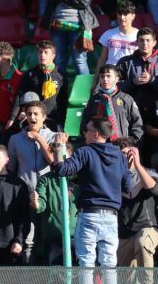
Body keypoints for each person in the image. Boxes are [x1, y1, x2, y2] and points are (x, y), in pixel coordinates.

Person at [38, 120, 132, 284]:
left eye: (86, 130)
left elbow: (62, 169)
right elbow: (127, 186)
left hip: (89, 214)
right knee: (109, 263)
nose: (84, 133)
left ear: (96, 134)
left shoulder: (86, 152)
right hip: (111, 216)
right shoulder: (119, 155)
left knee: (87, 262)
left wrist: (59, 146)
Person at [44, 0, 98, 76]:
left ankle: (85, 94)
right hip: (57, 26)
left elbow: (85, 2)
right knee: (59, 61)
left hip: (78, 26)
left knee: (79, 61)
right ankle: (60, 93)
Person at [114, 138, 158, 275]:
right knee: (125, 276)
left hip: (146, 226)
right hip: (124, 232)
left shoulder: (147, 172)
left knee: (142, 242)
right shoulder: (113, 177)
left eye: (128, 153)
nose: (126, 157)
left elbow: (154, 189)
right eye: (121, 154)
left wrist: (137, 164)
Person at [32, 138, 78, 265]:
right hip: (54, 238)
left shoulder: (77, 179)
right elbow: (41, 204)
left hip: (76, 237)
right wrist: (36, 203)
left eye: (63, 157)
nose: (59, 161)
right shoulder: (46, 180)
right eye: (55, 156)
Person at [82, 64, 143, 144]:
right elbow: (85, 122)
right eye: (102, 76)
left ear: (117, 79)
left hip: (120, 145)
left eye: (108, 76)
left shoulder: (126, 99)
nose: (105, 79)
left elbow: (137, 124)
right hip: (97, 145)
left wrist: (130, 143)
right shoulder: (94, 99)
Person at [7, 100, 56, 191]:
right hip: (23, 190)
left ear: (44, 117)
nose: (32, 117)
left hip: (47, 191)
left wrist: (39, 138)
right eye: (29, 114)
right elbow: (11, 168)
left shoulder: (54, 137)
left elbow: (54, 163)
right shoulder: (15, 139)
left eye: (36, 114)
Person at [18, 41, 65, 128]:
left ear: (53, 56)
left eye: (46, 52)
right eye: (40, 52)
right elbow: (21, 95)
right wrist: (24, 111)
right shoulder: (30, 73)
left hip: (52, 119)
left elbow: (63, 101)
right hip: (32, 120)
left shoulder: (60, 75)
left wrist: (62, 123)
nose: (42, 55)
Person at [0, 41, 23, 137]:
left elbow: (19, 101)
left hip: (14, 126)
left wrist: (11, 120)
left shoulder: (19, 78)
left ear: (4, 60)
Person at [116, 27, 157, 101]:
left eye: (148, 40)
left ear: (154, 43)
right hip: (131, 107)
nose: (145, 43)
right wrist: (133, 82)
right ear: (137, 42)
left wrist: (151, 79)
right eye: (141, 40)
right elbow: (115, 86)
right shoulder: (125, 62)